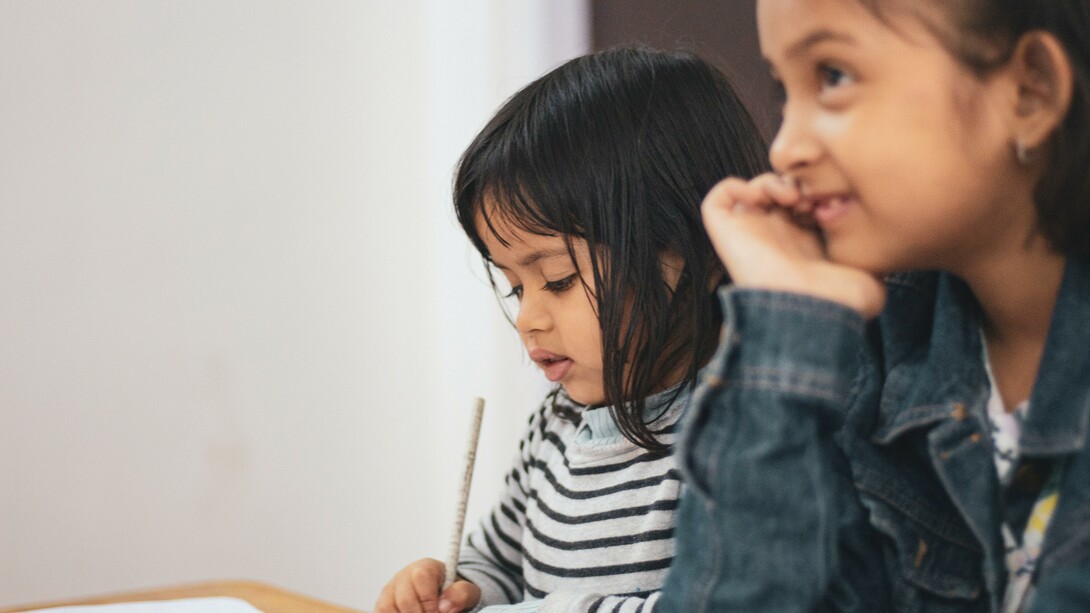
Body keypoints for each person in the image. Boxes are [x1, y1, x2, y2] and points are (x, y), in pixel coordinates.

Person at [658, 1, 1090, 611]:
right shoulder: (875, 353)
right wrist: (784, 325)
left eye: (833, 77)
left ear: (1029, 91)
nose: (784, 150)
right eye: (784, 90)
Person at [372, 46, 767, 613]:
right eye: (514, 287)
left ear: (702, 253)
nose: (528, 318)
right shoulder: (554, 427)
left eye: (556, 279)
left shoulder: (747, 431)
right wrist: (454, 585)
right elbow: (502, 560)